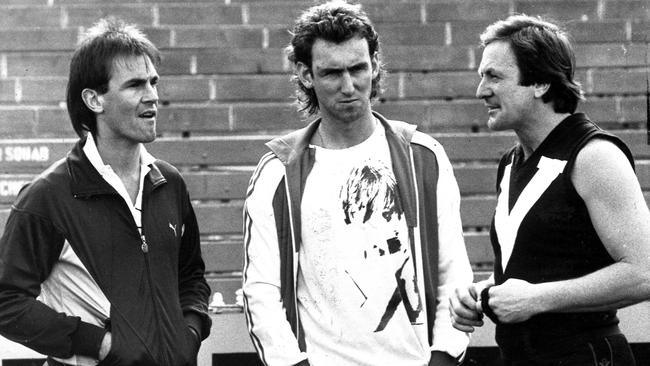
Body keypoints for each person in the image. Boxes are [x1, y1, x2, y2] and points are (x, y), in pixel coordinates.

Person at [242, 2, 473, 366]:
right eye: (332, 73)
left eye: (358, 68)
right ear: (306, 75)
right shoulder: (279, 171)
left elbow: (453, 271)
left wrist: (443, 356)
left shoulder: (421, 156)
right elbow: (261, 291)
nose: (348, 86)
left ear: (375, 64)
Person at [0, 18, 211, 366]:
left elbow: (191, 277)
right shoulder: (47, 197)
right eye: (135, 85)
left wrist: (188, 333)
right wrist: (100, 345)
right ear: (94, 100)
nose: (153, 96)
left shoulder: (168, 183)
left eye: (153, 82)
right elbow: (6, 300)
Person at [449, 14, 650, 366]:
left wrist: (536, 298)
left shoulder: (594, 155)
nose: (481, 90)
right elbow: (536, 272)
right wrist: (482, 294)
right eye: (482, 76)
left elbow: (645, 273)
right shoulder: (511, 163)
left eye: (494, 76)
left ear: (540, 83)